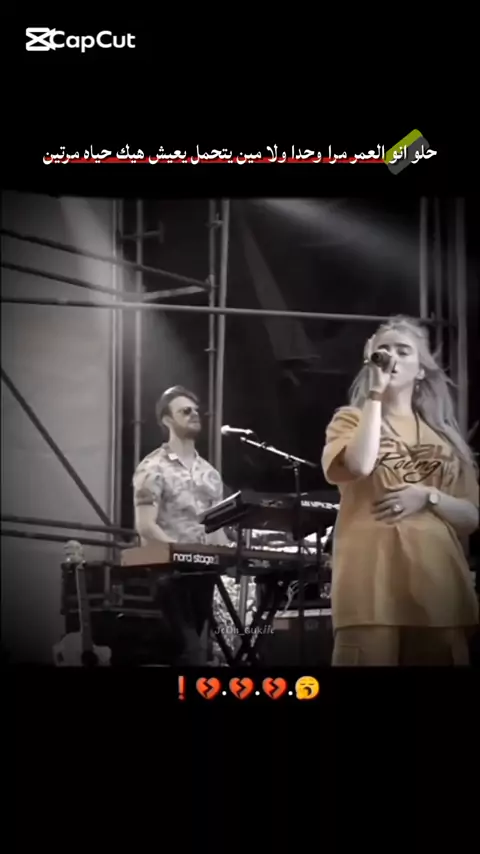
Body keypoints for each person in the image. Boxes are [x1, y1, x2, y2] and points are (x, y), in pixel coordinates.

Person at [321, 315, 479, 666]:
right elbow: (359, 466)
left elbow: (471, 517)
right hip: (370, 589)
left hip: (439, 587)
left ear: (421, 370)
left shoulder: (446, 439)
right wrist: (375, 394)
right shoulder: (350, 420)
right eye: (384, 350)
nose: (391, 356)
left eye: (403, 351)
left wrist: (428, 497)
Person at [133, 385, 229, 664]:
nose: (194, 414)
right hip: (169, 573)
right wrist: (180, 553)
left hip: (203, 572)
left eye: (196, 410)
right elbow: (145, 526)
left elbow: (216, 529)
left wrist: (233, 552)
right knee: (190, 650)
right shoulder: (152, 467)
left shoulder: (210, 473)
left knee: (197, 649)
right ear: (167, 420)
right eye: (185, 411)